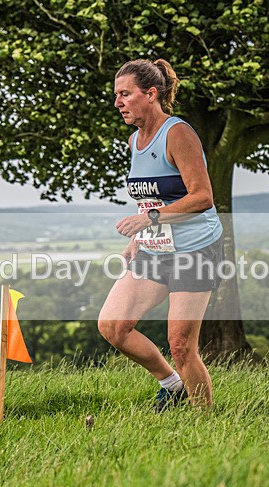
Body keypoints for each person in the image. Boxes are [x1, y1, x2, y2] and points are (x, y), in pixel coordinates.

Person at [98, 59, 223, 412]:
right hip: (156, 248)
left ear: (150, 94)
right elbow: (149, 197)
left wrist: (149, 218)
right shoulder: (134, 141)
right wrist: (138, 236)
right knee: (113, 326)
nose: (118, 102)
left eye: (125, 94)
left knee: (181, 346)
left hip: (196, 251)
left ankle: (206, 421)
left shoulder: (178, 133)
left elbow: (202, 197)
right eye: (116, 95)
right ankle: (171, 385)